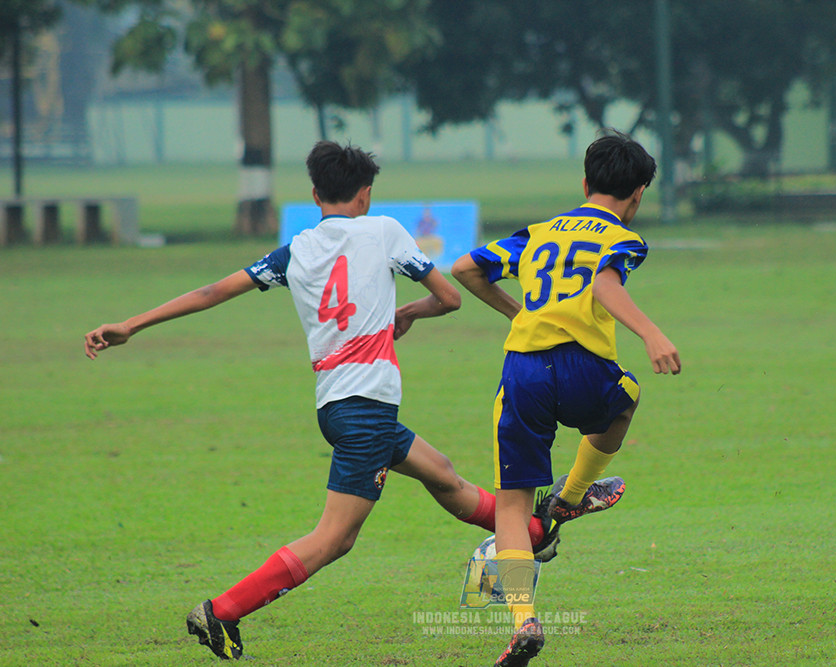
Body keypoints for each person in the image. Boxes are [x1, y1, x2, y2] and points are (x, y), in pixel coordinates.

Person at [83, 140, 558, 661]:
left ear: (314, 194)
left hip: (337, 406)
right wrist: (408, 313)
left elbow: (210, 293)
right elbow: (449, 298)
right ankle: (221, 611)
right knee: (334, 538)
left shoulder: (296, 250)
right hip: (367, 408)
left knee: (442, 474)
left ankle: (533, 531)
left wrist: (131, 324)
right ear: (366, 194)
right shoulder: (385, 232)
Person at [451, 129, 682, 667]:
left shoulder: (537, 232)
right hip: (582, 366)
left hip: (525, 371)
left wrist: (518, 312)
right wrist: (651, 333)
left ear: (584, 182)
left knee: (510, 508)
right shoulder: (622, 237)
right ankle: (572, 494)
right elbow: (604, 285)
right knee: (625, 397)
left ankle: (523, 620)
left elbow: (465, 269)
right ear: (639, 194)